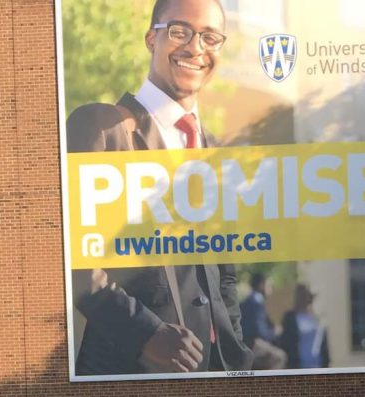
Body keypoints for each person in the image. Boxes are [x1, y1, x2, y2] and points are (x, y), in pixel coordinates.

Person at [66, 0, 252, 377]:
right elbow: (76, 259)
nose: (196, 48)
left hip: (218, 375)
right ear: (152, 38)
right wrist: (144, 334)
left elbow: (224, 272)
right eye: (180, 31)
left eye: (210, 37)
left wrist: (236, 350)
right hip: (127, 373)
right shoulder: (101, 127)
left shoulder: (214, 151)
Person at [239, 271, 287, 370]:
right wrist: (275, 332)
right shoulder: (256, 303)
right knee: (279, 357)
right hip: (252, 344)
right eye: (269, 285)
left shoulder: (249, 301)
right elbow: (259, 331)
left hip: (247, 343)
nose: (271, 288)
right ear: (262, 285)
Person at [278, 283, 330, 369]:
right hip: (298, 367)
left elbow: (323, 344)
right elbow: (285, 342)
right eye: (305, 296)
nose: (308, 299)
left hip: (318, 367)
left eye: (310, 296)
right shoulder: (290, 317)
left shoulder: (317, 318)